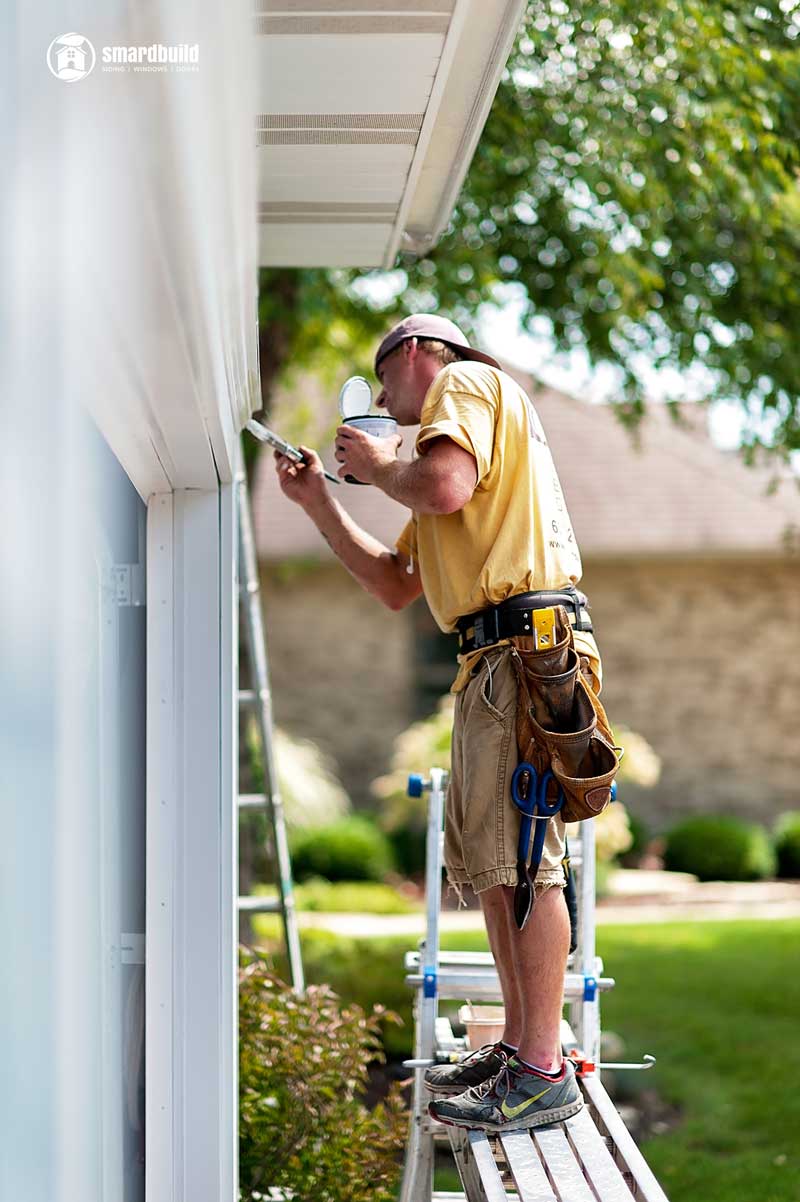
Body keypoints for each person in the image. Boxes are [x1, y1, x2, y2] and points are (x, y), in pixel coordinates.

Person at [273, 313, 605, 1133]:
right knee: (499, 862)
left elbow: (443, 485)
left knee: (528, 861)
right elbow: (395, 584)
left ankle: (541, 1069)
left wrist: (380, 458)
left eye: (383, 379)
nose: (383, 399)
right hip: (492, 658)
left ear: (419, 352)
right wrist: (321, 500)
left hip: (525, 649)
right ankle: (524, 1053)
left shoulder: (468, 384)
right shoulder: (432, 458)